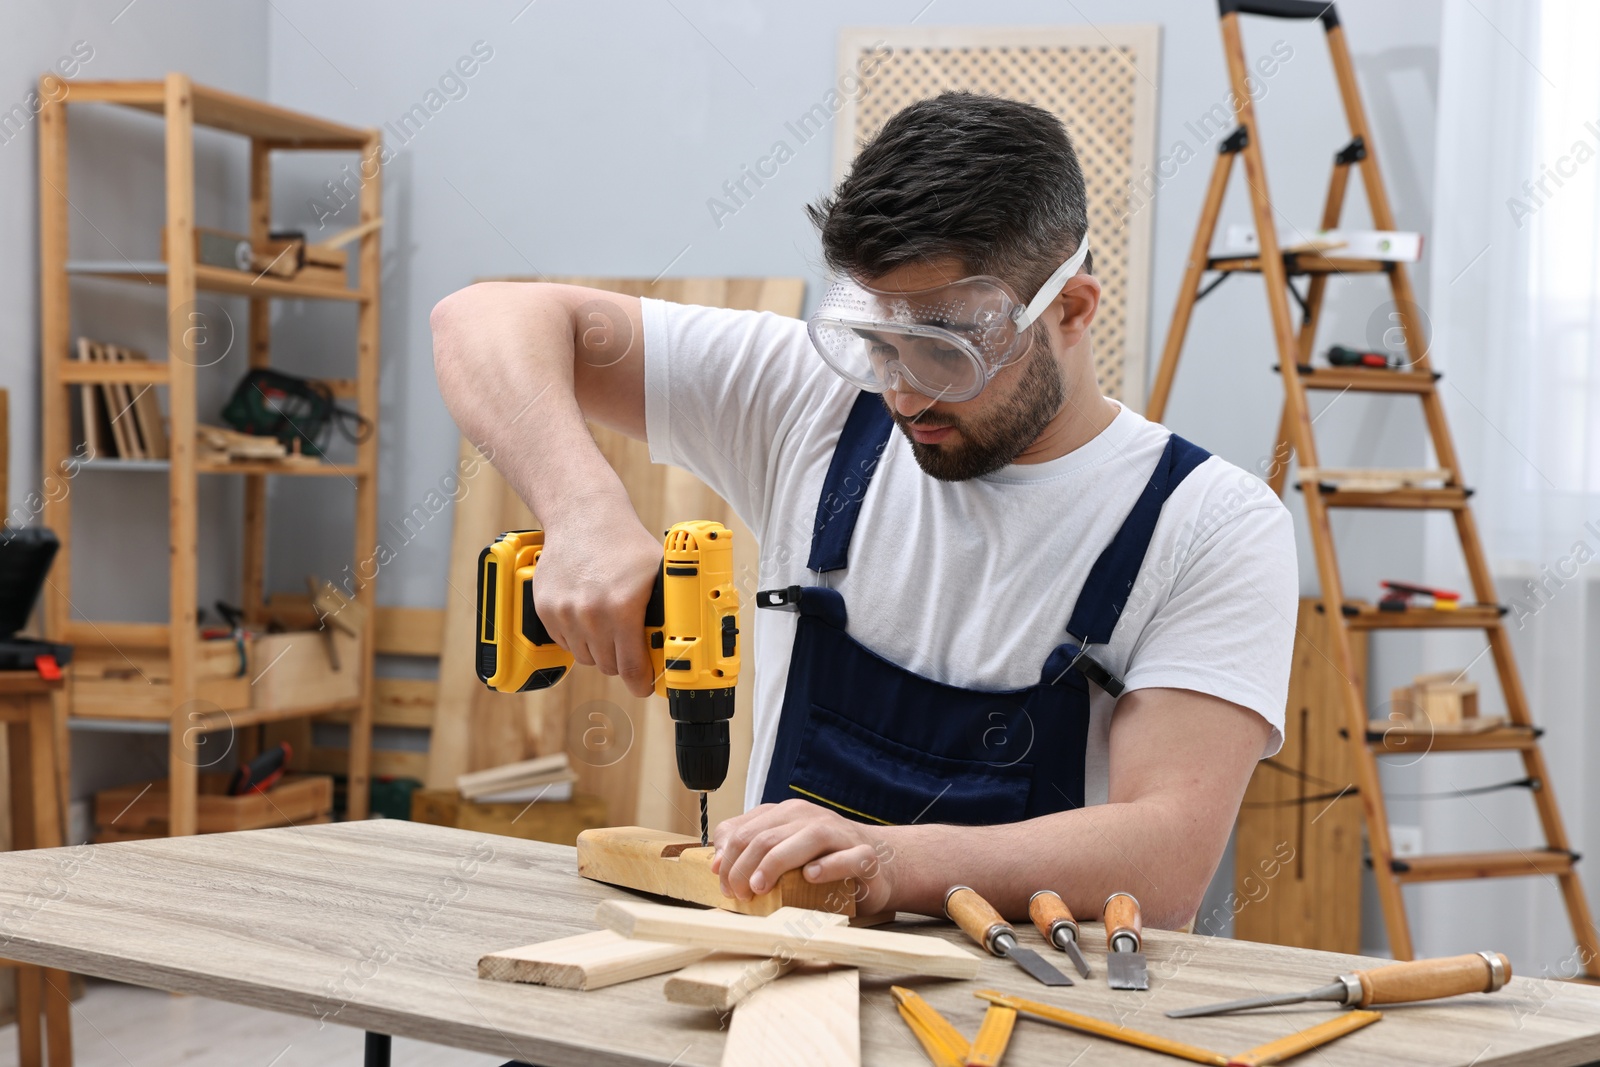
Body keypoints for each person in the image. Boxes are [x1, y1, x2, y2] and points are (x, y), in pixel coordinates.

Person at [432, 91, 1297, 930]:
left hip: (1031, 1013)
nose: (902, 392)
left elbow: (1168, 857)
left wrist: (889, 862)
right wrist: (583, 510)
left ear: (1070, 310)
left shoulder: (1208, 524)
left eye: (943, 353)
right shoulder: (806, 401)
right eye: (877, 343)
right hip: (771, 978)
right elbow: (482, 318)